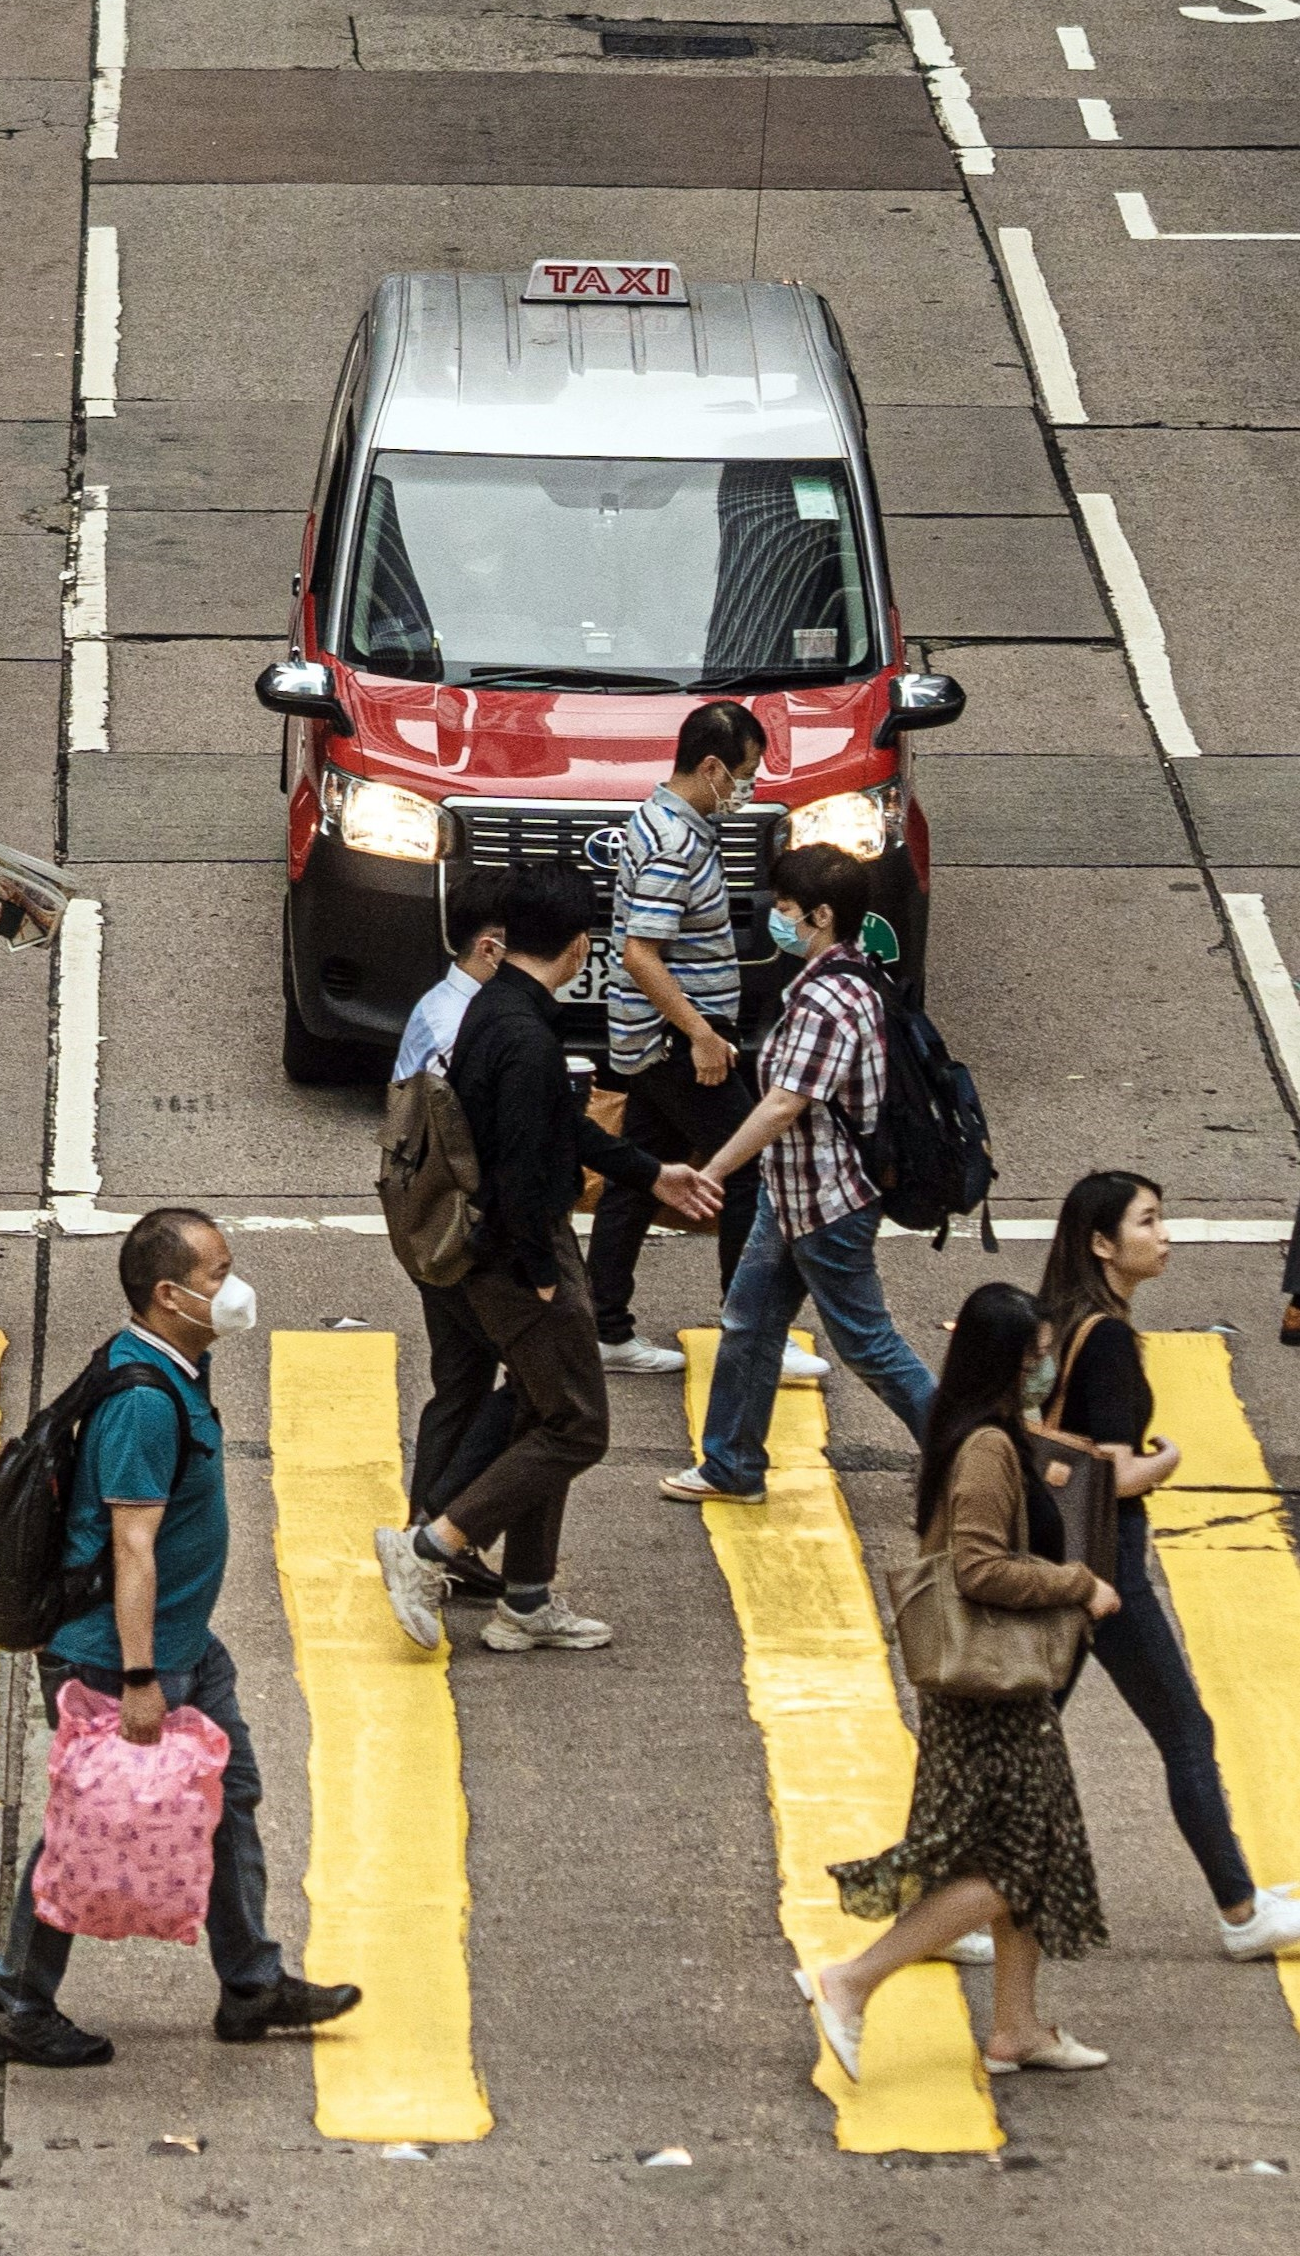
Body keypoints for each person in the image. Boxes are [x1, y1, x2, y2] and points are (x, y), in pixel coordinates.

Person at [0, 1208, 362, 2068]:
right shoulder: (144, 1401)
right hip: (120, 1656)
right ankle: (13, 2002)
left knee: (230, 1798)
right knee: (83, 1825)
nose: (234, 1285)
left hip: (184, 1645)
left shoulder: (171, 1364)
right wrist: (141, 1676)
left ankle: (251, 1983)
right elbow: (130, 1546)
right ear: (167, 1295)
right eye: (218, 1273)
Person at [375, 863, 722, 1655]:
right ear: (577, 946)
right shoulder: (527, 1036)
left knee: (539, 1412)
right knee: (577, 1425)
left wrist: (648, 1171)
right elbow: (527, 1169)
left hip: (487, 1250)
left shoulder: (493, 1009)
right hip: (519, 1259)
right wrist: (539, 1272)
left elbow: (557, 1129)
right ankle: (431, 1547)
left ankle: (527, 1600)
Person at [808, 1283, 1113, 2082]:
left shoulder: (992, 1432)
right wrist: (1076, 1584)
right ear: (1003, 1361)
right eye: (1032, 1355)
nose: (1043, 1366)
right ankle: (851, 1980)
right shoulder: (985, 1447)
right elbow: (978, 1567)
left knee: (1027, 1849)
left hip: (998, 1690)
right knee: (1013, 1863)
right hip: (987, 1696)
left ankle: (1016, 2027)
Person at [1040, 1170, 1300, 1959]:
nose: (1164, 1235)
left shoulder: (1058, 1316)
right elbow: (1113, 1474)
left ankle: (931, 1891)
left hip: (1055, 1553)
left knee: (1019, 1724)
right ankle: (1239, 1909)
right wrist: (1167, 1460)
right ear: (1100, 1243)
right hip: (1105, 1564)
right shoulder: (1109, 1338)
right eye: (1147, 1222)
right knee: (1184, 1729)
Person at [662, 844, 937, 1506]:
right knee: (749, 1324)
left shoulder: (825, 1000)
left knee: (867, 1344)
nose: (776, 918)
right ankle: (731, 1465)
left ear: (819, 915)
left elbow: (785, 1103)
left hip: (826, 1204)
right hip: (790, 1199)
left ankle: (975, 1453)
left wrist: (715, 1169)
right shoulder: (853, 973)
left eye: (784, 909)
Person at [588, 702, 827, 1388]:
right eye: (744, 775)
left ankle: (605, 1326)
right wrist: (699, 1033)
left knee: (638, 1177)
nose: (746, 789)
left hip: (652, 1036)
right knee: (750, 1169)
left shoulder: (660, 817)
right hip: (673, 1040)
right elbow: (640, 952)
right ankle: (750, 1333)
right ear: (712, 765)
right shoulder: (675, 842)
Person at [389, 868, 509, 1579]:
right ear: (491, 949)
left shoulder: (440, 1003)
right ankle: (438, 1527)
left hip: (426, 1223)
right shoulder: (463, 1023)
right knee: (529, 1387)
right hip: (455, 1228)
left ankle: (425, 1529)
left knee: (461, 1379)